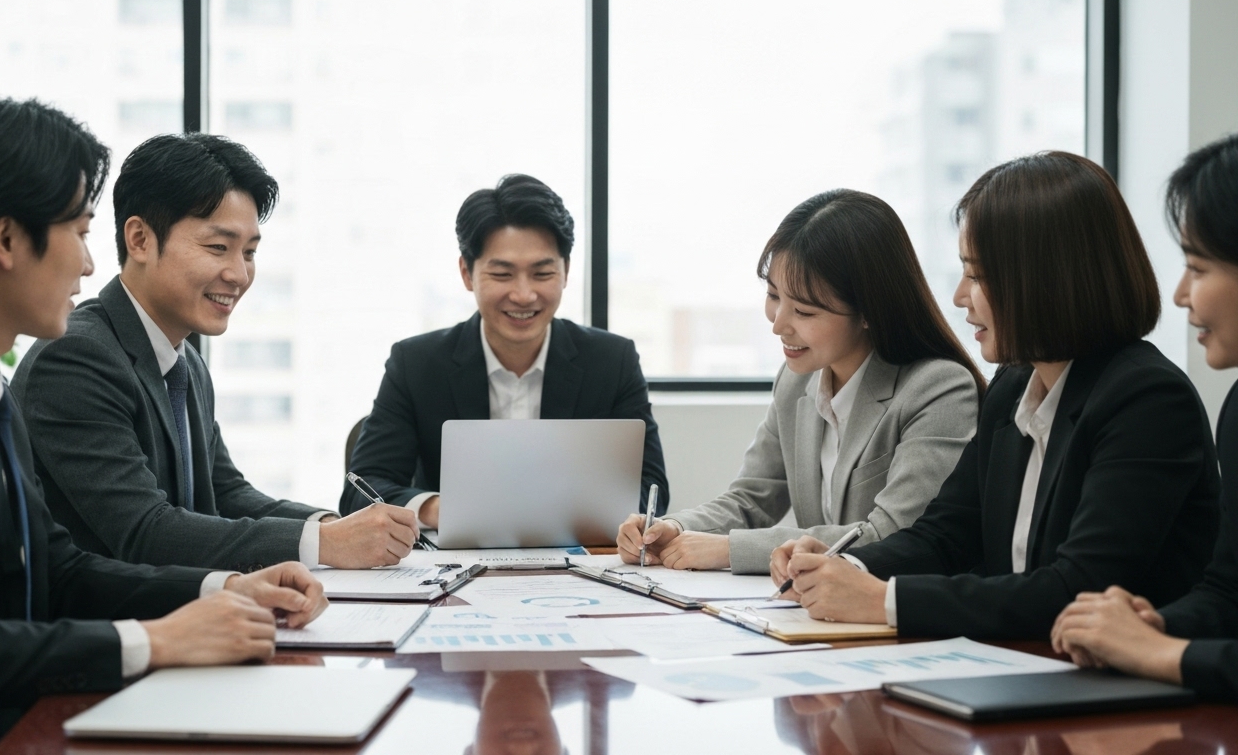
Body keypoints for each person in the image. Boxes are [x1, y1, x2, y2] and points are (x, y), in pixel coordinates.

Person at [0, 95, 328, 754]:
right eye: (81, 231)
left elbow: (56, 569)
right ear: (6, 240)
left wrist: (226, 587)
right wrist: (155, 641)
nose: (90, 265)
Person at [770, 151, 1220, 640]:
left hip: (1123, 693)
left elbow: (1079, 587)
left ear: (1046, 279)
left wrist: (884, 600)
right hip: (1025, 665)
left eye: (977, 275)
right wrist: (845, 567)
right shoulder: (1013, 386)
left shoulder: (1147, 400)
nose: (961, 295)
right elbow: (946, 534)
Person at [12, 134, 417, 571]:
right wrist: (325, 542)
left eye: (250, 252)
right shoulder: (76, 356)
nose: (239, 274)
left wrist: (336, 524)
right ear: (140, 239)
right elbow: (146, 531)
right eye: (218, 248)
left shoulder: (184, 360)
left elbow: (225, 494)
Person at [615, 189, 983, 572]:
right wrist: (673, 528)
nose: (778, 324)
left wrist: (730, 549)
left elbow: (895, 535)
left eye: (804, 311)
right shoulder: (796, 383)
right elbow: (751, 498)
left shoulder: (939, 389)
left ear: (869, 311)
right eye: (773, 295)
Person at [341, 174, 669, 527]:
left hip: (577, 559)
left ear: (566, 272)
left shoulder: (611, 361)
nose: (524, 295)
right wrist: (441, 510)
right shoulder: (417, 363)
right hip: (452, 565)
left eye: (542, 273)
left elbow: (650, 492)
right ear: (467, 273)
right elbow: (361, 491)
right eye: (502, 275)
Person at [1052, 133, 1238, 699]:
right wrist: (1157, 626)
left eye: (1198, 268)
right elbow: (1228, 596)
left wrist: (1163, 654)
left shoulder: (1145, 393)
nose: (1181, 295)